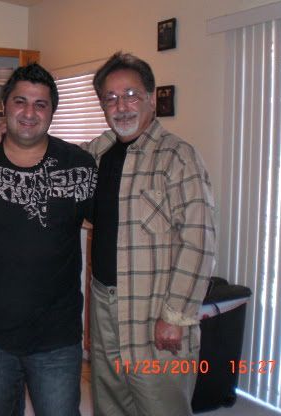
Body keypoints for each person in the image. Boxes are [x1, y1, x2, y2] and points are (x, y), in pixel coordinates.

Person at [0, 63, 97, 416]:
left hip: (56, 336)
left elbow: (109, 225)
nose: (29, 113)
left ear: (52, 112)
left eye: (40, 104)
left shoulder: (79, 165)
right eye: (20, 102)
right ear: (4, 106)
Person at [83, 52, 216, 416]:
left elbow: (199, 241)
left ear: (151, 98)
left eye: (131, 95)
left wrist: (175, 316)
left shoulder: (178, 157)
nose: (121, 106)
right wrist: (7, 137)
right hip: (104, 304)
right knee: (111, 405)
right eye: (110, 98)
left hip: (153, 309)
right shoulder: (99, 153)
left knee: (161, 406)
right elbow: (51, 159)